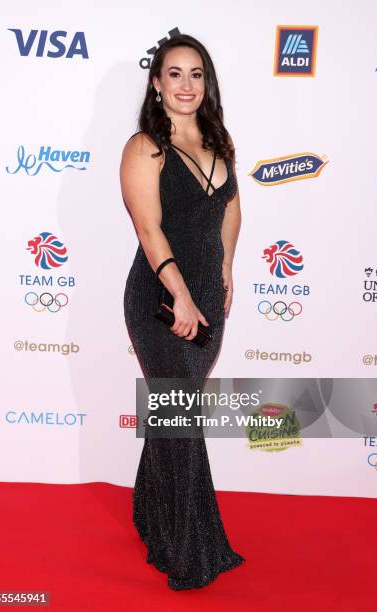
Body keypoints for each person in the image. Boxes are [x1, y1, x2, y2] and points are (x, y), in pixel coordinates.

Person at [120, 33, 245, 590]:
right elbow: (148, 228)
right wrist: (182, 295)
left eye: (196, 74)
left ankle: (150, 512)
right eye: (175, 74)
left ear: (206, 82)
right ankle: (189, 548)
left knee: (174, 413)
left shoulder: (220, 141)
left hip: (207, 295)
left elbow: (231, 209)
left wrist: (226, 269)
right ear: (157, 82)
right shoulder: (145, 146)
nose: (186, 85)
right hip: (159, 297)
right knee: (181, 415)